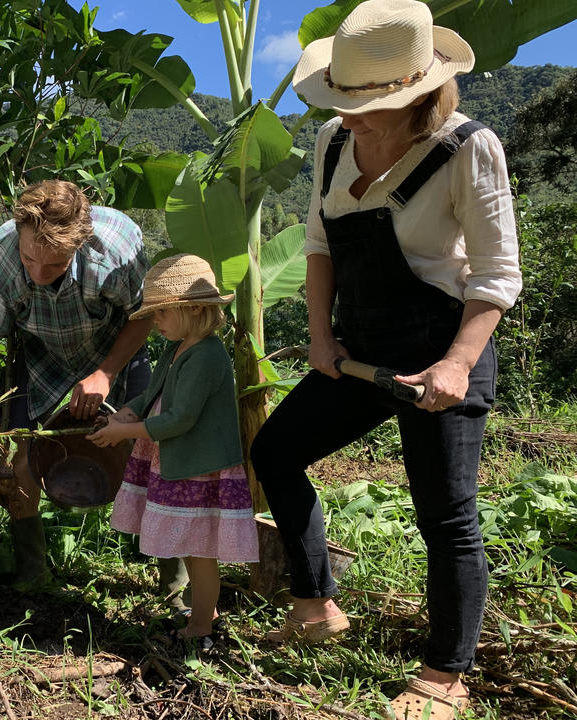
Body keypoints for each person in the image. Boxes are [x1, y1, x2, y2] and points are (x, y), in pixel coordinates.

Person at [249, 1, 522, 717]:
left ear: (421, 95)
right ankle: (316, 609)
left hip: (440, 350)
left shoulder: (468, 149)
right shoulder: (334, 144)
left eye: (374, 107)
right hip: (359, 349)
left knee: (445, 513)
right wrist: (321, 336)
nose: (354, 118)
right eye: (344, 103)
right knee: (277, 450)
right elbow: (317, 246)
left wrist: (458, 364)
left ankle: (445, 675)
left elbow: (495, 278)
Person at [0, 179, 195, 598]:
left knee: (152, 455)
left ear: (80, 245)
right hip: (39, 349)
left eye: (54, 265)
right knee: (21, 455)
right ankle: (32, 572)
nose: (39, 273)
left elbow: (144, 315)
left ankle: (175, 582)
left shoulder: (118, 248)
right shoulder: (1, 256)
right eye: (30, 259)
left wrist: (104, 373)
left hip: (115, 344)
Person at [88, 254, 259, 650]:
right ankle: (203, 617)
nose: (156, 321)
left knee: (200, 551)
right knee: (190, 545)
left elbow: (180, 419)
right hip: (179, 463)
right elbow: (152, 393)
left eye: (162, 312)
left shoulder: (207, 355)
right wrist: (126, 412)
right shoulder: (179, 347)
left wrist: (125, 431)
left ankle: (201, 628)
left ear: (194, 308)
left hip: (200, 468)